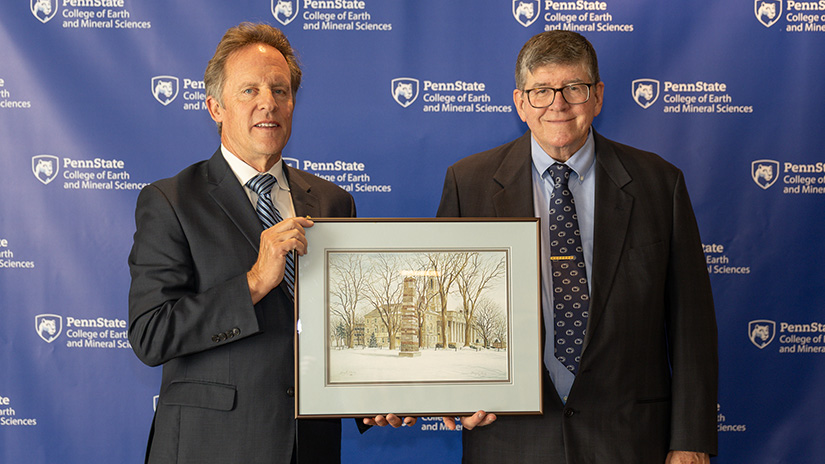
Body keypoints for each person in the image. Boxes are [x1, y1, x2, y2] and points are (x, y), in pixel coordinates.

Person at [128, 23, 405, 463]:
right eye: (249, 91)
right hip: (211, 447)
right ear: (214, 107)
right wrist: (254, 281)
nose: (268, 103)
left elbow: (346, 330)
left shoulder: (333, 201)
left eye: (280, 90)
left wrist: (371, 395)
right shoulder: (171, 201)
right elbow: (151, 335)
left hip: (309, 447)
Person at [437, 31, 718, 464]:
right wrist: (451, 392)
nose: (558, 104)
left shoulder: (660, 183)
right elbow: (444, 307)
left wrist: (691, 440)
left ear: (598, 96)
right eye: (541, 91)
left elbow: (692, 325)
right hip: (509, 442)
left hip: (630, 440)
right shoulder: (467, 182)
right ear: (519, 103)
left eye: (574, 88)